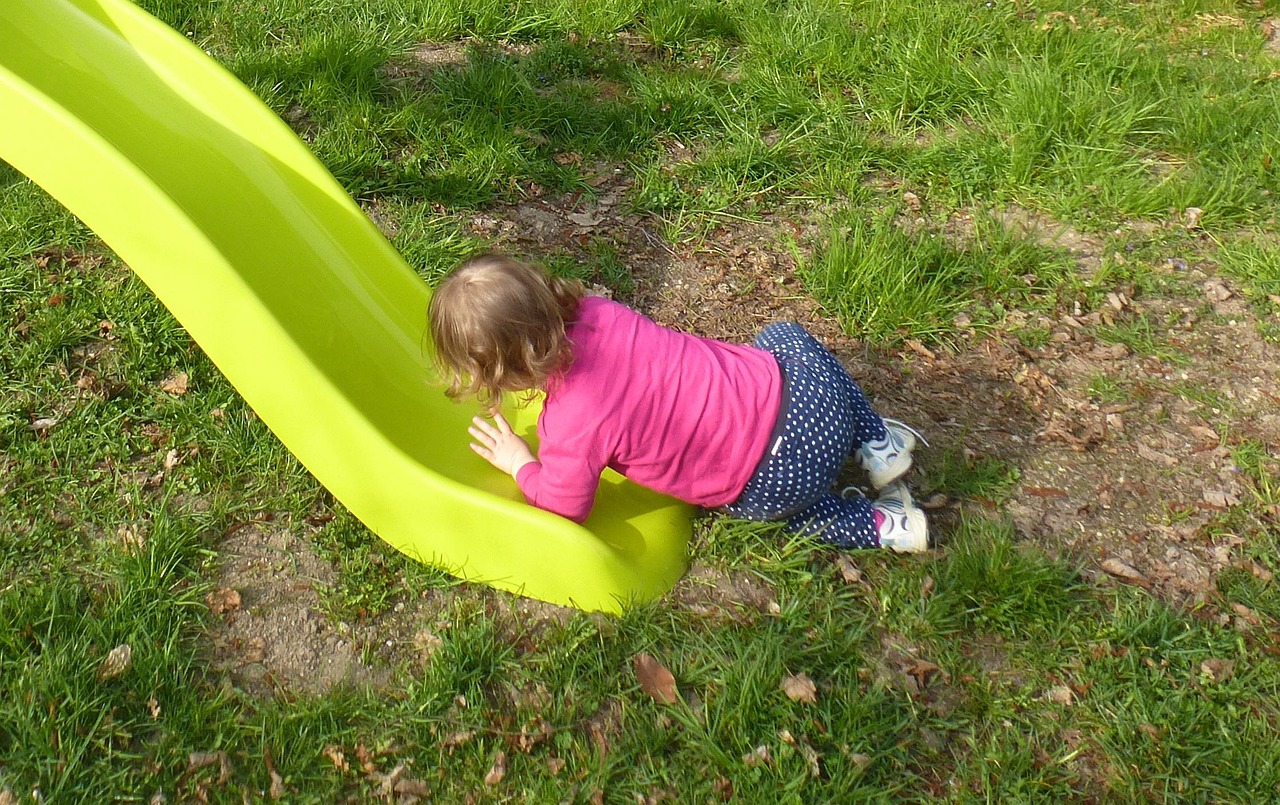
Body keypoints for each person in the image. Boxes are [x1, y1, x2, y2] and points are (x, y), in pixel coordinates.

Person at [428, 254, 929, 552]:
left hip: (775, 478)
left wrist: (521, 464)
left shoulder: (570, 423)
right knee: (782, 336)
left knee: (791, 511)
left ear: (502, 375)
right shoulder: (601, 312)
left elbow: (565, 507)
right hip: (815, 405)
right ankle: (876, 442)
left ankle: (888, 527)